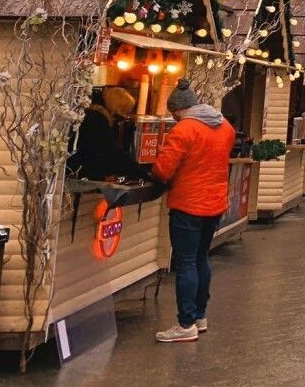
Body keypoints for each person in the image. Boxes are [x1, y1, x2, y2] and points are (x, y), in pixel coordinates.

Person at [150, 79, 236, 343]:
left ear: (178, 110)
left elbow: (163, 169)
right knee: (201, 259)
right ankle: (200, 316)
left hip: (188, 205)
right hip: (215, 204)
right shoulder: (225, 126)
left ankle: (185, 324)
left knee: (185, 262)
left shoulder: (184, 130)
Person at [70, 87, 145, 181]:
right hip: (83, 172)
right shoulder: (97, 120)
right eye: (124, 111)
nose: (125, 115)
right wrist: (140, 172)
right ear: (118, 108)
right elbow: (110, 151)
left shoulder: (93, 115)